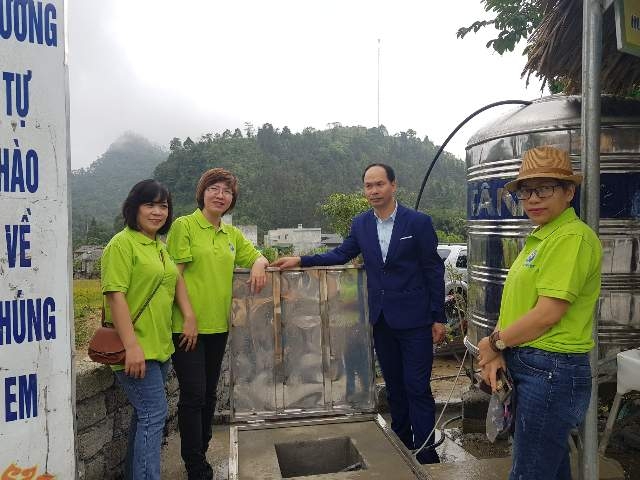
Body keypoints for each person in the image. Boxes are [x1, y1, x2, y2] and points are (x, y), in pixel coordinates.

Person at [271, 163, 446, 464]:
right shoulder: (362, 224)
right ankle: (402, 445)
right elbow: (340, 254)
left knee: (416, 386)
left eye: (379, 184)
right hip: (380, 320)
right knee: (393, 387)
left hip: (415, 320)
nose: (373, 191)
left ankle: (427, 453)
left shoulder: (417, 222)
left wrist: (438, 316)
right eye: (368, 186)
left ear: (393, 185)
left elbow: (433, 269)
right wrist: (301, 259)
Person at [478, 146, 602, 480]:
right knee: (548, 469)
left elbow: (548, 313)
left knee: (530, 473)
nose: (533, 198)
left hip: (551, 370)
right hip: (533, 364)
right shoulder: (542, 236)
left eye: (545, 188)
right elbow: (520, 304)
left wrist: (495, 342)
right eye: (526, 191)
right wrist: (497, 350)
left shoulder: (572, 237)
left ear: (569, 192)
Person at [166, 167, 269, 480]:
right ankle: (195, 464)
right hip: (186, 327)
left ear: (232, 199)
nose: (220, 195)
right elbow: (175, 275)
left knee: (210, 393)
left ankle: (203, 447)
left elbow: (258, 257)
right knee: (194, 394)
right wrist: (189, 317)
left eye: (227, 191)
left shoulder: (231, 234)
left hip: (218, 327)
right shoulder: (184, 225)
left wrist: (260, 266)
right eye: (214, 188)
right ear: (203, 192)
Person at [101, 179, 195, 480]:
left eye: (163, 206)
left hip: (160, 348)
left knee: (146, 418)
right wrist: (131, 346)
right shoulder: (122, 244)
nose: (157, 212)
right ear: (134, 208)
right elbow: (115, 296)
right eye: (150, 204)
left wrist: (189, 315)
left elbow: (175, 280)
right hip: (136, 350)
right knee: (154, 416)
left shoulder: (159, 247)